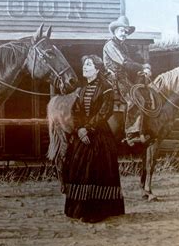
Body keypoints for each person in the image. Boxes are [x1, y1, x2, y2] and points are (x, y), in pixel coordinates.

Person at [62, 55, 125, 223]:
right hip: (82, 135)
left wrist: (88, 129)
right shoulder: (81, 90)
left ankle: (97, 212)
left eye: (89, 65)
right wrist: (80, 129)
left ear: (97, 69)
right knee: (78, 168)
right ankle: (78, 209)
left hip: (99, 136)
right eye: (84, 65)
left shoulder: (107, 88)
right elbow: (75, 111)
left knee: (97, 171)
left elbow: (105, 112)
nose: (84, 67)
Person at [103, 16, 152, 146]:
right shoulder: (110, 45)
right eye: (121, 30)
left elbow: (130, 63)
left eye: (126, 31)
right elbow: (124, 62)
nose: (124, 33)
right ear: (114, 31)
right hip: (114, 78)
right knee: (135, 99)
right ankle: (131, 133)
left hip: (123, 77)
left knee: (143, 94)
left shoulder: (123, 47)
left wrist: (142, 68)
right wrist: (142, 67)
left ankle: (139, 130)